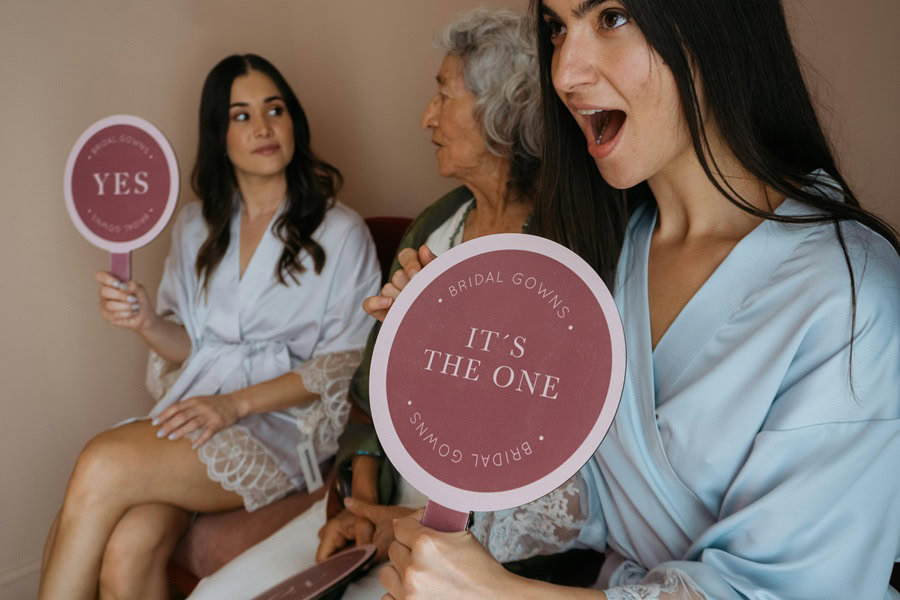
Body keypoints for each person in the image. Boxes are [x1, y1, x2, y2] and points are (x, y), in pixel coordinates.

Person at [381, 0, 900, 598]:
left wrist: (497, 594)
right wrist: (444, 357)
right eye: (557, 28)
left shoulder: (849, 293)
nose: (564, 73)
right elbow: (593, 489)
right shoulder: (613, 252)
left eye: (611, 17)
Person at [184, 9, 544, 599]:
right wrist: (360, 508)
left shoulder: (556, 251)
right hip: (384, 511)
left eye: (442, 96)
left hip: (477, 538)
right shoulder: (435, 227)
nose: (425, 116)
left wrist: (398, 527)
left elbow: (541, 451)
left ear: (502, 111)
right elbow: (368, 394)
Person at [38, 54, 380, 600]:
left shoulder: (340, 231)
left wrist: (236, 405)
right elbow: (189, 346)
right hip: (198, 412)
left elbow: (344, 366)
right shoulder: (195, 226)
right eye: (241, 115)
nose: (264, 126)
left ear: (294, 120)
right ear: (218, 135)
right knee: (129, 545)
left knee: (101, 461)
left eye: (275, 109)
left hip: (279, 428)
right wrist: (147, 319)